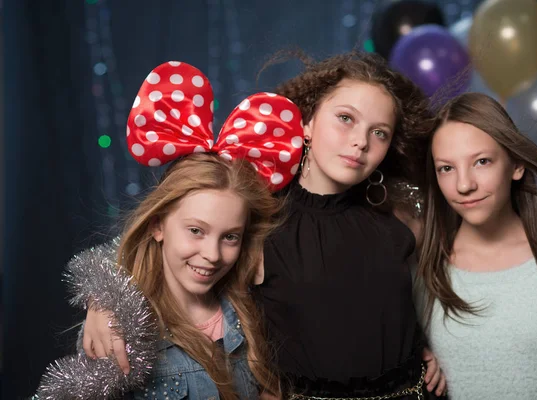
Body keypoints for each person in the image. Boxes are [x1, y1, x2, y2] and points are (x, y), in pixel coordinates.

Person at [75, 52, 448, 399]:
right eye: (346, 118)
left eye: (379, 132)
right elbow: (162, 238)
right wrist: (105, 301)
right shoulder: (260, 217)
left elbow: (396, 305)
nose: (359, 142)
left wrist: (424, 346)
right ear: (307, 121)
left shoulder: (398, 215)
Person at [35, 61, 306, 399]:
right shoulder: (119, 328)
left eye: (230, 237)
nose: (211, 254)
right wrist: (104, 296)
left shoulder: (246, 312)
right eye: (195, 230)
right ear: (157, 225)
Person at [415, 92, 537, 399]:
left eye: (482, 161)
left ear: (515, 166)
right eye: (446, 168)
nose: (464, 185)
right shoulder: (426, 268)